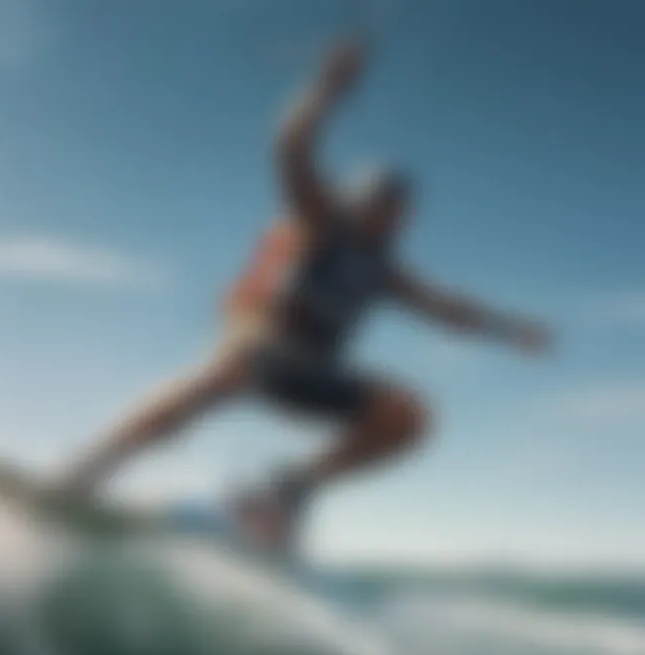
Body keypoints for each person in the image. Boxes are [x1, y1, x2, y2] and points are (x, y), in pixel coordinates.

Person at [35, 38, 551, 552]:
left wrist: (510, 331)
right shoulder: (322, 220)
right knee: (225, 372)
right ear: (361, 199)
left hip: (313, 375)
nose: (391, 216)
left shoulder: (386, 272)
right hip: (262, 350)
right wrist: (325, 89)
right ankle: (82, 474)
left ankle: (289, 489)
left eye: (399, 210)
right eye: (382, 203)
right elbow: (291, 149)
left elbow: (449, 312)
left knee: (410, 417)